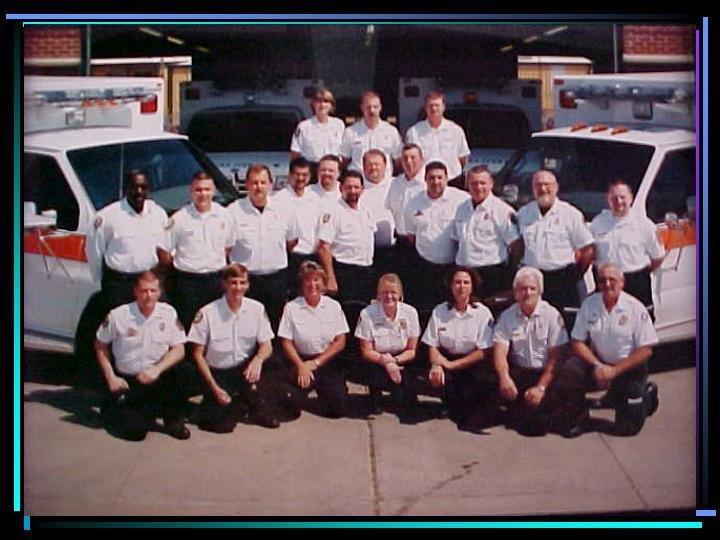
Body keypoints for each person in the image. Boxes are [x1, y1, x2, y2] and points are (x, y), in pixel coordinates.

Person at [554, 262, 660, 437]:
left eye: (612, 280)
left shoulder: (635, 308)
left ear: (622, 282)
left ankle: (646, 397)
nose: (607, 284)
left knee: (627, 429)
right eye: (602, 280)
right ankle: (579, 417)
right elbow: (577, 342)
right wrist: (597, 366)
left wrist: (615, 371)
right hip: (599, 364)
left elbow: (646, 350)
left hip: (628, 368)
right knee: (570, 369)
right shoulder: (589, 304)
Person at [94, 270, 190, 441]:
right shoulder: (118, 315)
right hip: (130, 379)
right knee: (135, 434)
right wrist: (111, 378)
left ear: (159, 292)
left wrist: (157, 369)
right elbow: (100, 346)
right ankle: (116, 408)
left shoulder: (168, 313)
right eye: (144, 291)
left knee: (183, 372)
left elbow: (179, 348)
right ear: (135, 292)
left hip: (157, 374)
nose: (149, 296)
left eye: (153, 290)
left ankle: (173, 420)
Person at [187, 264, 280, 432]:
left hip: (244, 367)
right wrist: (214, 387)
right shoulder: (207, 313)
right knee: (221, 426)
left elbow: (267, 345)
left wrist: (258, 359)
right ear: (224, 284)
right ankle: (229, 403)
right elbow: (197, 354)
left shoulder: (256, 308)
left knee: (272, 364)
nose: (238, 287)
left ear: (248, 285)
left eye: (242, 282)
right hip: (217, 372)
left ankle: (253, 402)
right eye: (233, 282)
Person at [491, 266, 570, 436]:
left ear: (540, 292)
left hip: (546, 375)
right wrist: (504, 378)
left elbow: (557, 356)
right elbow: (500, 352)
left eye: (532, 289)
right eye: (522, 289)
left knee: (537, 426)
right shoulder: (507, 316)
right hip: (520, 372)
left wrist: (541, 387)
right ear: (515, 293)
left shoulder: (551, 315)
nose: (527, 293)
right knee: (520, 420)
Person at [516, 170, 595, 323]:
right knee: (531, 322)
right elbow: (518, 245)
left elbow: (588, 249)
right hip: (533, 280)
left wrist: (575, 275)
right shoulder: (524, 213)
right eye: (538, 185)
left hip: (562, 280)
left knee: (564, 324)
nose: (543, 189)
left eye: (547, 185)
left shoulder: (570, 214)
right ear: (533, 188)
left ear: (556, 187)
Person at [86, 169, 172, 310]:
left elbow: (165, 248)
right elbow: (94, 252)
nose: (139, 192)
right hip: (119, 285)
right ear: (126, 189)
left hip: (148, 282)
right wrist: (99, 283)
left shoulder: (158, 214)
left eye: (143, 187)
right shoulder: (107, 217)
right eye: (134, 187)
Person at [227, 164, 299, 331]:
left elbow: (291, 241)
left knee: (275, 325)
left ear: (270, 184)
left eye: (262, 182)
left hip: (276, 279)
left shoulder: (285, 209)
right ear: (246, 184)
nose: (258, 187)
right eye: (254, 183)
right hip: (245, 280)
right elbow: (227, 246)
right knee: (245, 326)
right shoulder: (233, 211)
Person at [422, 267, 495, 429]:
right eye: (457, 282)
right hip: (447, 359)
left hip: (472, 362)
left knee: (470, 413)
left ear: (472, 286)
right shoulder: (440, 311)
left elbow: (484, 351)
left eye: (466, 282)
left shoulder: (482, 313)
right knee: (437, 378)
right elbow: (432, 345)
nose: (461, 286)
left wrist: (454, 365)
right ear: (451, 285)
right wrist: (436, 365)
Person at [276, 261, 350, 418]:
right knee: (289, 407)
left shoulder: (333, 306)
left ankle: (325, 392)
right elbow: (286, 342)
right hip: (300, 360)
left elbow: (340, 341)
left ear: (323, 283)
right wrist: (301, 366)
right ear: (302, 284)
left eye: (317, 280)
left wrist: (316, 363)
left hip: (325, 360)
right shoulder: (291, 308)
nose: (312, 284)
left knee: (338, 408)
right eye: (308, 280)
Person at [169, 171, 235, 330]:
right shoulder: (178, 219)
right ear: (190, 191)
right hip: (188, 283)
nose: (203, 194)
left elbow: (228, 247)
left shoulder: (225, 215)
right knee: (189, 327)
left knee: (217, 327)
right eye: (198, 190)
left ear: (214, 191)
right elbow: (167, 252)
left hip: (216, 281)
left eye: (207, 189)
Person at [353, 273, 421, 423]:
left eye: (393, 292)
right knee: (371, 375)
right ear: (378, 295)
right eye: (384, 292)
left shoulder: (410, 313)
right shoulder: (367, 314)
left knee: (406, 403)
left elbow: (412, 350)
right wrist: (386, 362)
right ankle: (375, 394)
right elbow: (366, 351)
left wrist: (394, 361)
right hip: (376, 360)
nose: (389, 296)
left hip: (401, 359)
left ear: (400, 294)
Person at [590, 180, 665, 311]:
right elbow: (591, 253)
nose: (618, 201)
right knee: (605, 319)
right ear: (608, 199)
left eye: (622, 197)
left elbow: (658, 257)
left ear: (630, 198)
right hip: (606, 283)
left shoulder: (645, 225)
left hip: (635, 282)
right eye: (614, 198)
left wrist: (640, 273)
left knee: (641, 319)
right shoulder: (597, 224)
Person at [405, 160, 469, 310]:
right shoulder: (413, 203)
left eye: (440, 177)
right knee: (425, 307)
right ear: (425, 179)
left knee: (450, 308)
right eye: (432, 178)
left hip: (452, 267)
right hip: (424, 266)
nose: (436, 182)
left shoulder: (462, 199)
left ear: (447, 179)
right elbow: (411, 235)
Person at [453, 166, 521, 299]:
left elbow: (516, 245)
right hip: (465, 273)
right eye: (474, 183)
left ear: (491, 183)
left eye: (482, 183)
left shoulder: (502, 210)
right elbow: (458, 240)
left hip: (491, 274)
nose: (478, 187)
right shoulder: (461, 208)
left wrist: (509, 272)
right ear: (467, 185)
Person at [316, 169, 376, 303]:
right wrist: (330, 278)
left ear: (362, 189)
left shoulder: (366, 210)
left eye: (356, 187)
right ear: (341, 188)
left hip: (366, 271)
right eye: (349, 187)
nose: (353, 191)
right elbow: (323, 247)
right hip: (345, 271)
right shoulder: (332, 211)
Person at [272, 157, 322, 296]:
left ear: (310, 176)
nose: (300, 178)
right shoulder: (278, 200)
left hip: (313, 256)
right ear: (290, 175)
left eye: (304, 175)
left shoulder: (315, 198)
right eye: (297, 174)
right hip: (292, 258)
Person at [385, 143, 426, 296]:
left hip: (420, 243)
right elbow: (391, 208)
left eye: (413, 158)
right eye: (405, 158)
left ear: (421, 159)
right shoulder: (396, 183)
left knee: (421, 289)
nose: (409, 162)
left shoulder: (427, 183)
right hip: (401, 244)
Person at [405, 90, 470, 184]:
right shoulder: (414, 132)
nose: (434, 108)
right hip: (425, 181)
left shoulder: (456, 130)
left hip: (453, 180)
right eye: (430, 105)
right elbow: (409, 158)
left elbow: (463, 158)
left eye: (437, 105)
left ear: (443, 107)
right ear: (425, 108)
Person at [340, 90, 402, 180]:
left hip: (385, 182)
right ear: (362, 108)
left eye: (375, 107)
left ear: (380, 108)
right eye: (368, 107)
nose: (372, 110)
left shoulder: (391, 131)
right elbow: (344, 161)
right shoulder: (350, 132)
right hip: (359, 182)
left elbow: (398, 162)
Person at [290, 88, 345, 173]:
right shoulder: (303, 126)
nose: (322, 105)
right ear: (313, 104)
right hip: (311, 169)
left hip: (333, 169)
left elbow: (345, 151)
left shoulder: (339, 125)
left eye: (326, 101)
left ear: (331, 105)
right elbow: (295, 153)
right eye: (319, 101)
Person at [361, 149, 396, 277]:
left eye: (377, 164)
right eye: (369, 164)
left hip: (394, 250)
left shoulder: (395, 184)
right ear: (363, 167)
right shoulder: (358, 188)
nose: (373, 168)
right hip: (368, 251)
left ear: (385, 166)